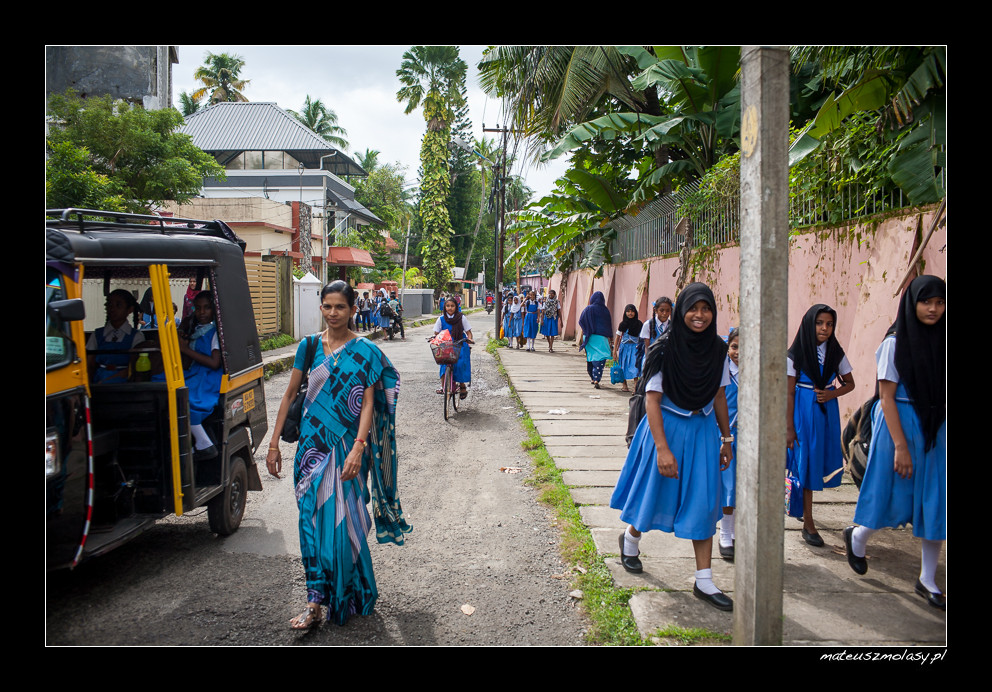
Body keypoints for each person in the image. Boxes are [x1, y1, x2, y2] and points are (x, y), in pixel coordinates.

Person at [266, 280, 411, 629]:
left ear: (352, 309)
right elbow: (288, 396)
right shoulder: (309, 346)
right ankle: (315, 601)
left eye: (340, 307)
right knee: (310, 523)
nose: (333, 313)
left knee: (347, 523)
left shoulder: (364, 351)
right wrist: (272, 445)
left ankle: (349, 592)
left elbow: (368, 402)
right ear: (321, 308)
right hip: (310, 450)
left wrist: (359, 448)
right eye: (327, 307)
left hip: (347, 447)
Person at [610, 283, 735, 611]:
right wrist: (663, 449)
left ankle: (704, 580)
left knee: (705, 502)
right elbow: (652, 400)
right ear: (681, 311)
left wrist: (726, 439)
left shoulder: (718, 350)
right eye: (693, 308)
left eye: (706, 308)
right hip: (666, 428)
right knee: (654, 494)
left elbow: (720, 395)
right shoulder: (664, 349)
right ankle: (631, 539)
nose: (700, 315)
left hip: (704, 430)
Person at [845, 276, 946, 610]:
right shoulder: (895, 343)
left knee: (935, 502)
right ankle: (857, 537)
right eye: (926, 301)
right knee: (887, 494)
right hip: (897, 425)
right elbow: (885, 398)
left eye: (940, 302)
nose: (934, 309)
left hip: (936, 428)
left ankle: (927, 580)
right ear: (911, 303)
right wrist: (901, 446)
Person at [786, 304, 856, 547]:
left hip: (825, 412)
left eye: (829, 324)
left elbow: (850, 383)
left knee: (815, 461)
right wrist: (788, 427)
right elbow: (788, 393)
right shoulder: (796, 354)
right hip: (802, 412)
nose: (824, 328)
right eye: (819, 323)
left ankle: (806, 516)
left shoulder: (835, 352)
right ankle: (809, 522)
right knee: (804, 463)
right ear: (809, 324)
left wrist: (832, 394)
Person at [179, 290, 224, 460]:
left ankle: (204, 443)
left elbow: (214, 362)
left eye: (206, 308)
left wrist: (185, 350)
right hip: (195, 373)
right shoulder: (195, 330)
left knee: (187, 400)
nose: (202, 312)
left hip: (208, 377)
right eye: (198, 308)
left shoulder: (214, 333)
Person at [87, 289, 145, 383]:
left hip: (124, 384)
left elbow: (135, 366)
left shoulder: (136, 336)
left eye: (118, 305)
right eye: (109, 305)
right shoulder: (97, 334)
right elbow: (89, 364)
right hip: (98, 382)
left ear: (130, 310)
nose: (112, 309)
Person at [718, 328, 740, 560]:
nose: (738, 352)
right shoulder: (722, 370)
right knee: (729, 485)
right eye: (734, 347)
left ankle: (736, 531)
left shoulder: (757, 371)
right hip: (727, 435)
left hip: (751, 435)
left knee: (745, 486)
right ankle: (725, 533)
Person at [434, 297, 475, 399]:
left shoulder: (461, 317)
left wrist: (469, 340)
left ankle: (462, 386)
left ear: (456, 307)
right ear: (445, 307)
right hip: (446, 344)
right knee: (443, 364)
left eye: (452, 306)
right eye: (448, 306)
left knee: (460, 364)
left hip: (459, 342)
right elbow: (436, 332)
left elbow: (469, 332)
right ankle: (444, 386)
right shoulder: (441, 319)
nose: (450, 308)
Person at [578, 291, 613, 388]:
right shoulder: (605, 310)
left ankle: (593, 377)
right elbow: (609, 325)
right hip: (602, 338)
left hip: (589, 337)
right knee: (600, 358)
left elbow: (581, 321)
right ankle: (597, 378)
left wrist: (587, 330)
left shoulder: (588, 309)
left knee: (591, 357)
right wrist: (611, 338)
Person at [613, 304, 643, 393]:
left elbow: (642, 337)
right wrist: (615, 351)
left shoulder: (639, 324)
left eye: (632, 311)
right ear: (625, 312)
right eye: (628, 311)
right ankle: (624, 385)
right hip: (624, 347)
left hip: (635, 347)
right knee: (623, 365)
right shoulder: (622, 324)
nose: (630, 313)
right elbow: (618, 337)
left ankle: (636, 388)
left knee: (635, 367)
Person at [639, 296, 673, 368]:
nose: (664, 313)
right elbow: (647, 346)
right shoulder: (648, 325)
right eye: (662, 310)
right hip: (652, 359)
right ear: (655, 310)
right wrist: (648, 361)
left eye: (667, 311)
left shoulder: (673, 326)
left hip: (668, 360)